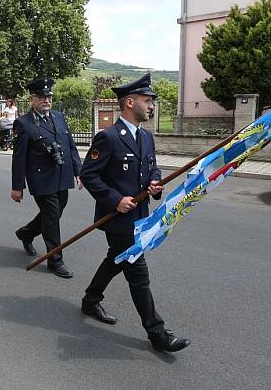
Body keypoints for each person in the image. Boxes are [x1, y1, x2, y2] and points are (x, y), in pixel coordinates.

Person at [79, 73, 190, 353]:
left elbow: (152, 167)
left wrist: (155, 183)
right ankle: (157, 333)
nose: (151, 106)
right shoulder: (109, 137)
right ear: (130, 102)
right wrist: (115, 200)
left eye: (152, 101)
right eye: (147, 100)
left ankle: (90, 300)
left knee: (115, 259)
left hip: (140, 215)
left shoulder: (146, 137)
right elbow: (89, 175)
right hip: (118, 219)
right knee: (138, 273)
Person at [11, 77, 82, 278]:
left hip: (62, 175)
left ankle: (25, 233)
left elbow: (71, 147)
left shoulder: (59, 117)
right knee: (51, 216)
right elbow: (19, 158)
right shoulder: (23, 123)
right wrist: (18, 186)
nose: (46, 100)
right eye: (42, 97)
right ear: (32, 98)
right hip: (41, 178)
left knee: (54, 213)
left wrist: (79, 172)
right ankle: (55, 260)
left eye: (48, 96)